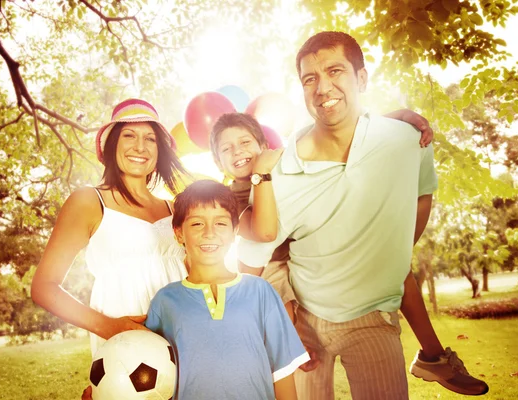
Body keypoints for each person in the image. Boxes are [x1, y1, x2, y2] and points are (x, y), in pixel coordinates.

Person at [237, 31, 489, 399]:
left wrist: (396, 248)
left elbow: (422, 191)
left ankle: (433, 357)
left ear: (362, 79)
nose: (323, 87)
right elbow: (253, 258)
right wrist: (263, 329)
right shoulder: (282, 172)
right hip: (304, 321)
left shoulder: (406, 139)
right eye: (310, 78)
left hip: (372, 318)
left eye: (335, 71)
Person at [209, 111, 433, 325]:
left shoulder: (285, 164)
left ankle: (432, 355)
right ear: (219, 163)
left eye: (245, 142)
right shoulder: (227, 200)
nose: (237, 151)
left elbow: (339, 134)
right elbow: (265, 233)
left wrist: (398, 116)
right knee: (282, 310)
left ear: (264, 146)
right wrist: (260, 174)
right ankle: (297, 352)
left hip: (314, 249)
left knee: (391, 263)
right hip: (274, 264)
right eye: (227, 149)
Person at [31, 98, 190, 356]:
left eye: (150, 138)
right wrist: (111, 328)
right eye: (129, 135)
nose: (141, 146)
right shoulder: (89, 201)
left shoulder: (175, 207)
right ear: (112, 144)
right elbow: (43, 287)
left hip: (183, 336)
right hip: (124, 346)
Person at [145, 180, 310, 399]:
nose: (209, 233)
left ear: (235, 232)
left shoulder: (260, 292)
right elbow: (151, 376)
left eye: (221, 224)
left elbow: (281, 373)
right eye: (196, 224)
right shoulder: (165, 301)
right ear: (178, 233)